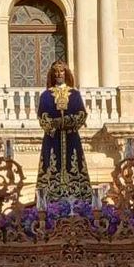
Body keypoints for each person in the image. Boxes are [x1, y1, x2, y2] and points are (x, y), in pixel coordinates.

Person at [35, 59, 92, 204]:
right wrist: (55, 124)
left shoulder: (75, 94)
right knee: (50, 166)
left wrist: (64, 122)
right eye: (56, 71)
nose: (59, 74)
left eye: (61, 71)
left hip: (71, 138)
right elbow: (42, 117)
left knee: (75, 166)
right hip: (52, 140)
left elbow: (81, 115)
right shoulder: (46, 96)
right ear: (52, 75)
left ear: (66, 73)